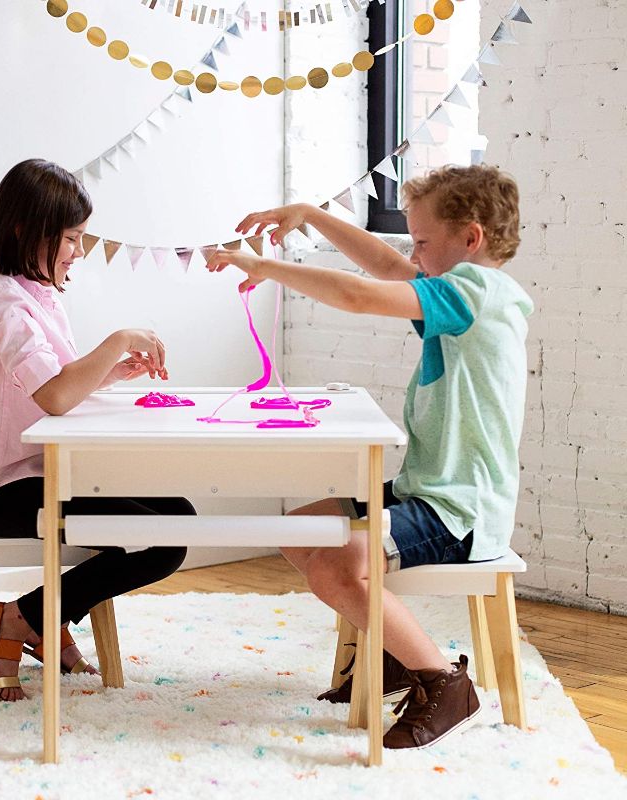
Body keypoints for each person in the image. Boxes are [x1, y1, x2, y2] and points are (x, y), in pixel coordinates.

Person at [205, 164, 533, 749]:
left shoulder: (474, 293)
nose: (414, 254)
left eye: (424, 242)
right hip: (425, 490)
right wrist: (308, 215)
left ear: (471, 239)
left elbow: (361, 293)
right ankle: (398, 657)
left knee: (335, 565)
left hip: (460, 510)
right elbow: (386, 268)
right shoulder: (458, 292)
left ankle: (444, 682)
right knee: (300, 530)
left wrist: (264, 267)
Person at [0, 158, 192, 702]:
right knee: (165, 538)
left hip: (42, 473)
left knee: (179, 517)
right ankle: (13, 622)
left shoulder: (39, 297)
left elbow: (60, 384)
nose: (78, 252)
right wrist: (120, 338)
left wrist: (109, 369)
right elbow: (55, 396)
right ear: (25, 232)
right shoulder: (3, 308)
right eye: (71, 239)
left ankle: (34, 616)